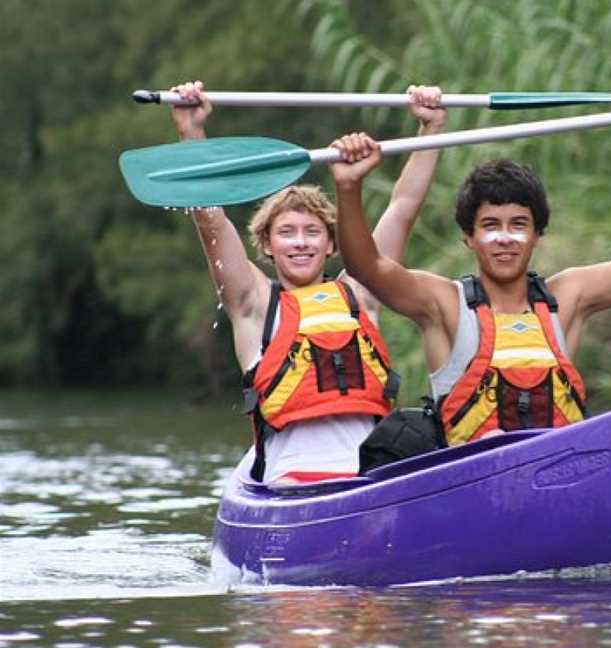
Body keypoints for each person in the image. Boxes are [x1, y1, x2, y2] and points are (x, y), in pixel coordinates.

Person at [330, 89, 611, 445]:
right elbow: (367, 267)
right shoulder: (442, 304)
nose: (504, 239)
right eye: (490, 226)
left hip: (554, 475)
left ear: (537, 235)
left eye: (518, 225)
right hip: (473, 482)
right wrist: (349, 189)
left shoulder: (570, 297)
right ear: (469, 237)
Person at [169, 80, 448, 484]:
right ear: (266, 244)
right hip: (292, 482)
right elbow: (210, 219)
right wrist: (191, 134)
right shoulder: (253, 302)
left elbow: (403, 208)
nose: (300, 242)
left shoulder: (362, 291)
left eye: (312, 232)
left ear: (333, 242)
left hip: (369, 480)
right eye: (287, 232)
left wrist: (430, 129)